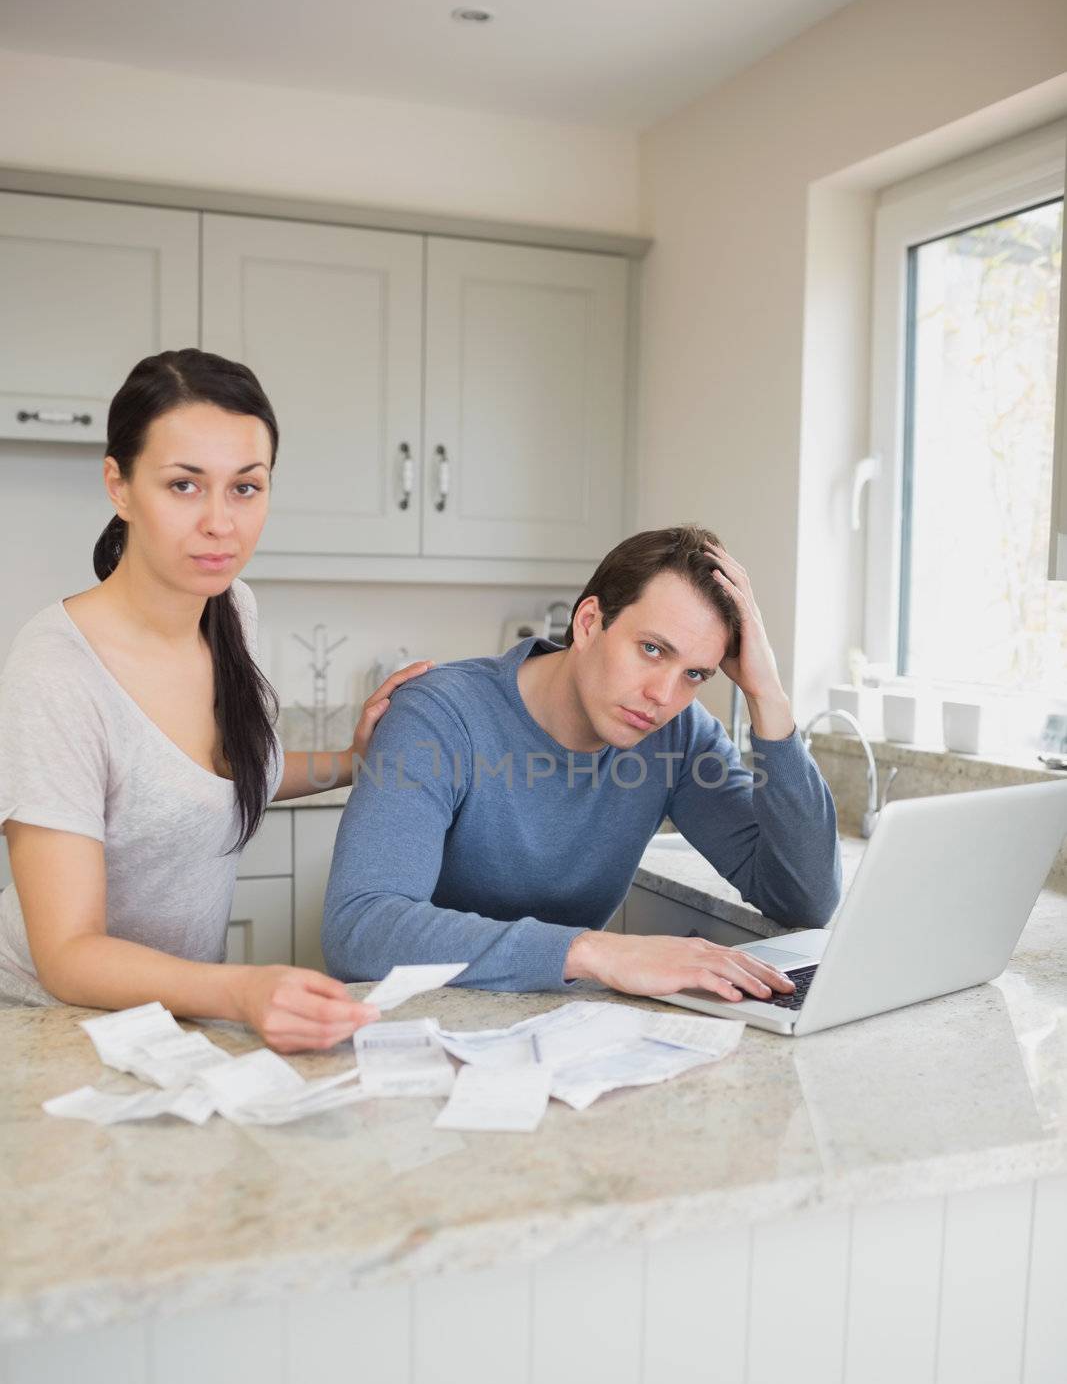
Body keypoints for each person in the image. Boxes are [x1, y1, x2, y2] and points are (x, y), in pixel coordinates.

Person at [0, 349, 428, 1051]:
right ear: (120, 485)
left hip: (174, 1019)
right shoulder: (55, 673)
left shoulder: (230, 607)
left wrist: (352, 759)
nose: (220, 523)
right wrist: (240, 989)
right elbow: (68, 952)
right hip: (48, 1026)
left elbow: (225, 774)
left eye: (245, 488)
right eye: (183, 486)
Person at [322, 525, 841, 1002]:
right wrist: (594, 952)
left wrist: (767, 693)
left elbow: (805, 898)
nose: (662, 694)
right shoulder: (440, 715)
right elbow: (361, 930)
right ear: (589, 622)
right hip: (421, 1029)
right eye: (652, 649)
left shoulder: (678, 737)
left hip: (561, 1032)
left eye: (695, 674)